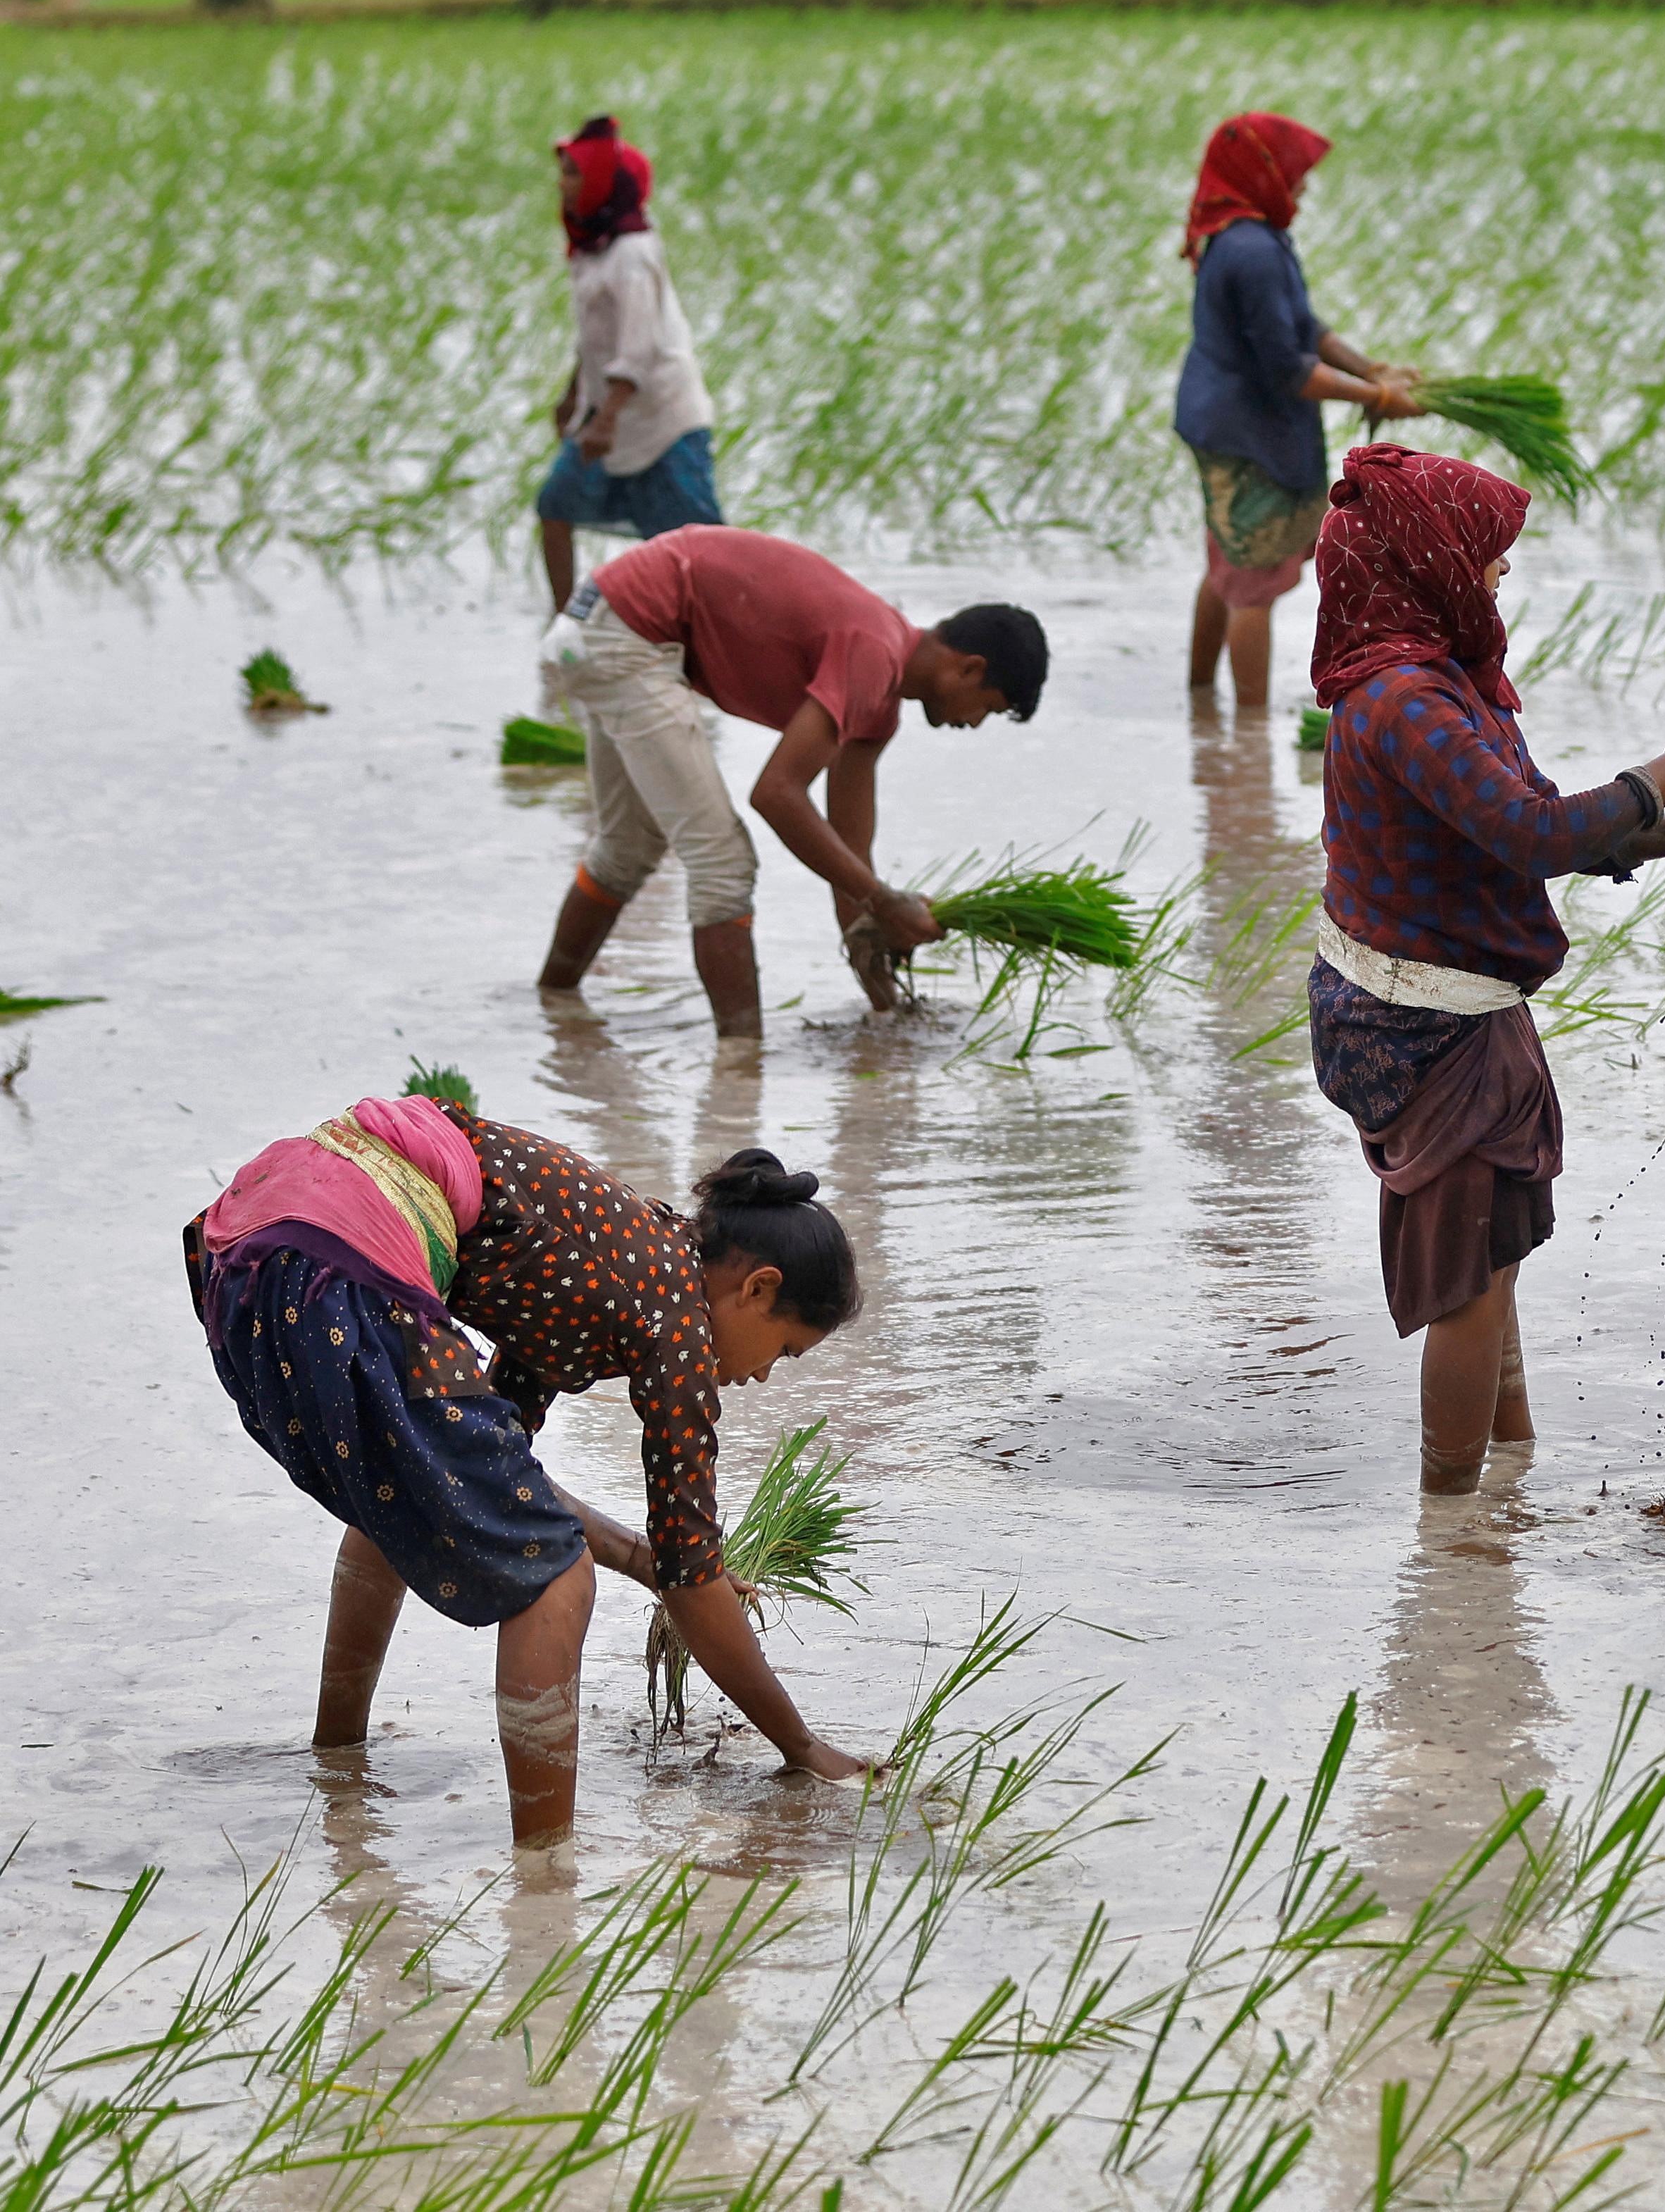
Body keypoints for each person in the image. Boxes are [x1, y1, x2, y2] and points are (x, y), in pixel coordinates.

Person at [187, 1100, 875, 1845]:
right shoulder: (677, 1319)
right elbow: (693, 1578)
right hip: (346, 1258)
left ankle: (337, 1762)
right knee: (556, 1576)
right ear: (759, 1289)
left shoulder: (618, 1261)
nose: (765, 1376)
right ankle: (544, 1873)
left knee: (408, 1487)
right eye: (783, 1352)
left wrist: (645, 1562)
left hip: (259, 1242)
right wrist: (803, 1749)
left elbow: (497, 1477)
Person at [1304, 443, 1665, 1493]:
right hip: (1418, 1022)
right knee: (1468, 1277)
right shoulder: (1401, 702)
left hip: (1443, 1001)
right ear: (1430, 563)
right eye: (1489, 556)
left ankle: (1507, 1473)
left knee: (1490, 1249)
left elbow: (1546, 815)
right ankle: (1453, 1524)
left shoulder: (1449, 682)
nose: (1501, 574)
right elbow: (1525, 832)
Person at [532, 524, 1049, 1040]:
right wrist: (887, 901)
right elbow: (776, 793)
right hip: (630, 630)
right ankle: (740, 1064)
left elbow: (849, 858)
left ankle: (552, 1000)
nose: (975, 723)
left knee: (629, 846)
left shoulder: (878, 708)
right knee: (723, 864)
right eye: (989, 707)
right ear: (968, 669)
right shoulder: (873, 652)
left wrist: (885, 1005)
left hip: (600, 621)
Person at [1176, 111, 1418, 708]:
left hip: (1228, 419)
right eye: (1296, 173)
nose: (1304, 186)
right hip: (1242, 431)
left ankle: (1200, 702)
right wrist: (1380, 398)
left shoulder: (1251, 234)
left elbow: (1303, 327)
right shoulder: (1250, 248)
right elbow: (1289, 368)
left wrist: (1370, 370)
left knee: (1227, 564)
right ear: (1262, 172)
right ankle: (1249, 731)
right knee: (1251, 584)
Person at [535, 116, 723, 615]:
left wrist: (609, 416)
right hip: (604, 413)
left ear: (602, 184)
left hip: (662, 417)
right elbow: (597, 337)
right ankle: (565, 621)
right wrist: (574, 393)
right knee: (555, 505)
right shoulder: (592, 249)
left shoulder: (633, 253)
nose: (563, 183)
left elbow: (639, 344)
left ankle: (721, 632)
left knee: (698, 548)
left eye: (574, 173)